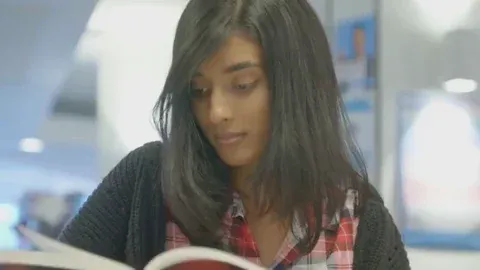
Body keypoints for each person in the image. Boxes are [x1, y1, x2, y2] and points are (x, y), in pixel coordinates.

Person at [59, 0, 409, 269]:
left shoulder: (361, 223)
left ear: (295, 84)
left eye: (242, 85)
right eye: (198, 91)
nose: (216, 112)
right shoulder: (145, 183)